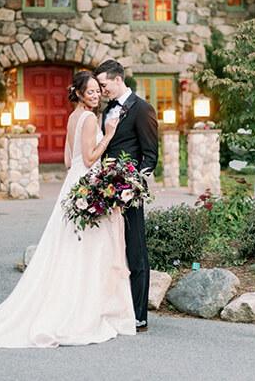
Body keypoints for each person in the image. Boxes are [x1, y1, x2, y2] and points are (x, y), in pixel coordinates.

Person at [0, 71, 136, 348]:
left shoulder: (72, 118)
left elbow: (70, 160)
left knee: (67, 247)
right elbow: (91, 157)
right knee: (88, 248)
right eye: (90, 91)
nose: (95, 95)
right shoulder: (91, 119)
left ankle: (71, 300)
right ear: (79, 94)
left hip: (72, 184)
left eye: (97, 90)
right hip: (86, 185)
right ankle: (82, 307)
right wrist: (110, 135)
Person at [94, 60, 158, 333]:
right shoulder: (108, 110)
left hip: (129, 191)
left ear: (118, 79)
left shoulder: (142, 109)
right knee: (111, 250)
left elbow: (150, 156)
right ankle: (115, 308)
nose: (101, 90)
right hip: (106, 188)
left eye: (104, 84)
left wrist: (131, 184)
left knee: (135, 250)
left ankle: (139, 315)